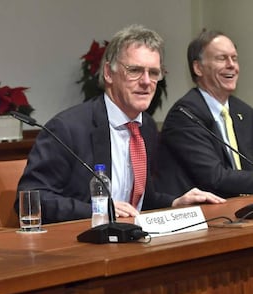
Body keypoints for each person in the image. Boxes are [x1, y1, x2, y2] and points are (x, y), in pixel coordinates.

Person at [15, 24, 224, 224]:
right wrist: (99, 211)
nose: (146, 82)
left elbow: (138, 203)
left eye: (153, 73)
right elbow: (32, 198)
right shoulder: (67, 129)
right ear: (108, 73)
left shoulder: (147, 127)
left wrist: (174, 203)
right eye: (134, 70)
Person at [155, 29, 253, 198]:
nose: (232, 65)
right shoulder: (184, 115)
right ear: (198, 68)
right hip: (205, 214)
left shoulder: (243, 111)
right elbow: (214, 177)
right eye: (222, 58)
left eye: (234, 58)